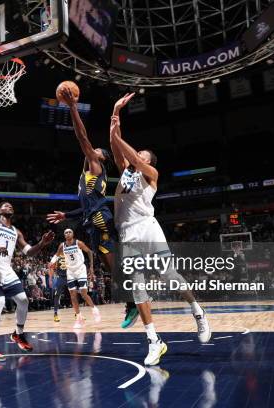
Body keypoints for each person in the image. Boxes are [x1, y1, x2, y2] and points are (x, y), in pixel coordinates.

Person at [110, 93, 211, 365]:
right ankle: (154, 341)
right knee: (137, 287)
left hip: (147, 229)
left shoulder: (151, 175)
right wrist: (115, 115)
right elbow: (116, 146)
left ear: (148, 161)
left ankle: (198, 311)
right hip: (127, 233)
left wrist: (119, 138)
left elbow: (126, 151)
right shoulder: (126, 172)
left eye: (141, 155)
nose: (136, 156)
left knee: (169, 276)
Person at [46, 86, 124, 324]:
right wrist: (66, 214)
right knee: (109, 267)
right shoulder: (86, 177)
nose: (93, 150)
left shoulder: (95, 166)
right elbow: (85, 207)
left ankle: (135, 294)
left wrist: (72, 107)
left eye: (97, 150)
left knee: (112, 265)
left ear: (101, 158)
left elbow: (81, 136)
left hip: (100, 219)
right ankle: (133, 292)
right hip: (92, 218)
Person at [0, 202, 54, 362]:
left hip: (5, 268)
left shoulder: (15, 231)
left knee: (23, 300)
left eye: (11, 205)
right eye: (5, 205)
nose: (9, 206)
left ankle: (18, 334)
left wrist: (42, 244)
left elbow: (29, 252)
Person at [54, 229, 101, 328]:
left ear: (73, 234)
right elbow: (56, 255)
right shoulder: (62, 246)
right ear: (64, 235)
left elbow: (89, 252)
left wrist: (91, 267)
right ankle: (79, 318)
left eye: (69, 232)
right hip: (70, 271)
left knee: (84, 293)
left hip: (80, 269)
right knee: (73, 295)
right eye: (65, 233)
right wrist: (51, 262)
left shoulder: (78, 243)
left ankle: (94, 310)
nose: (67, 234)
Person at [48, 252, 68, 322]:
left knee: (73, 294)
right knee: (57, 295)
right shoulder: (56, 256)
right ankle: (55, 314)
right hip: (60, 277)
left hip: (69, 276)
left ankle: (77, 314)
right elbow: (50, 266)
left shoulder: (68, 253)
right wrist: (50, 278)